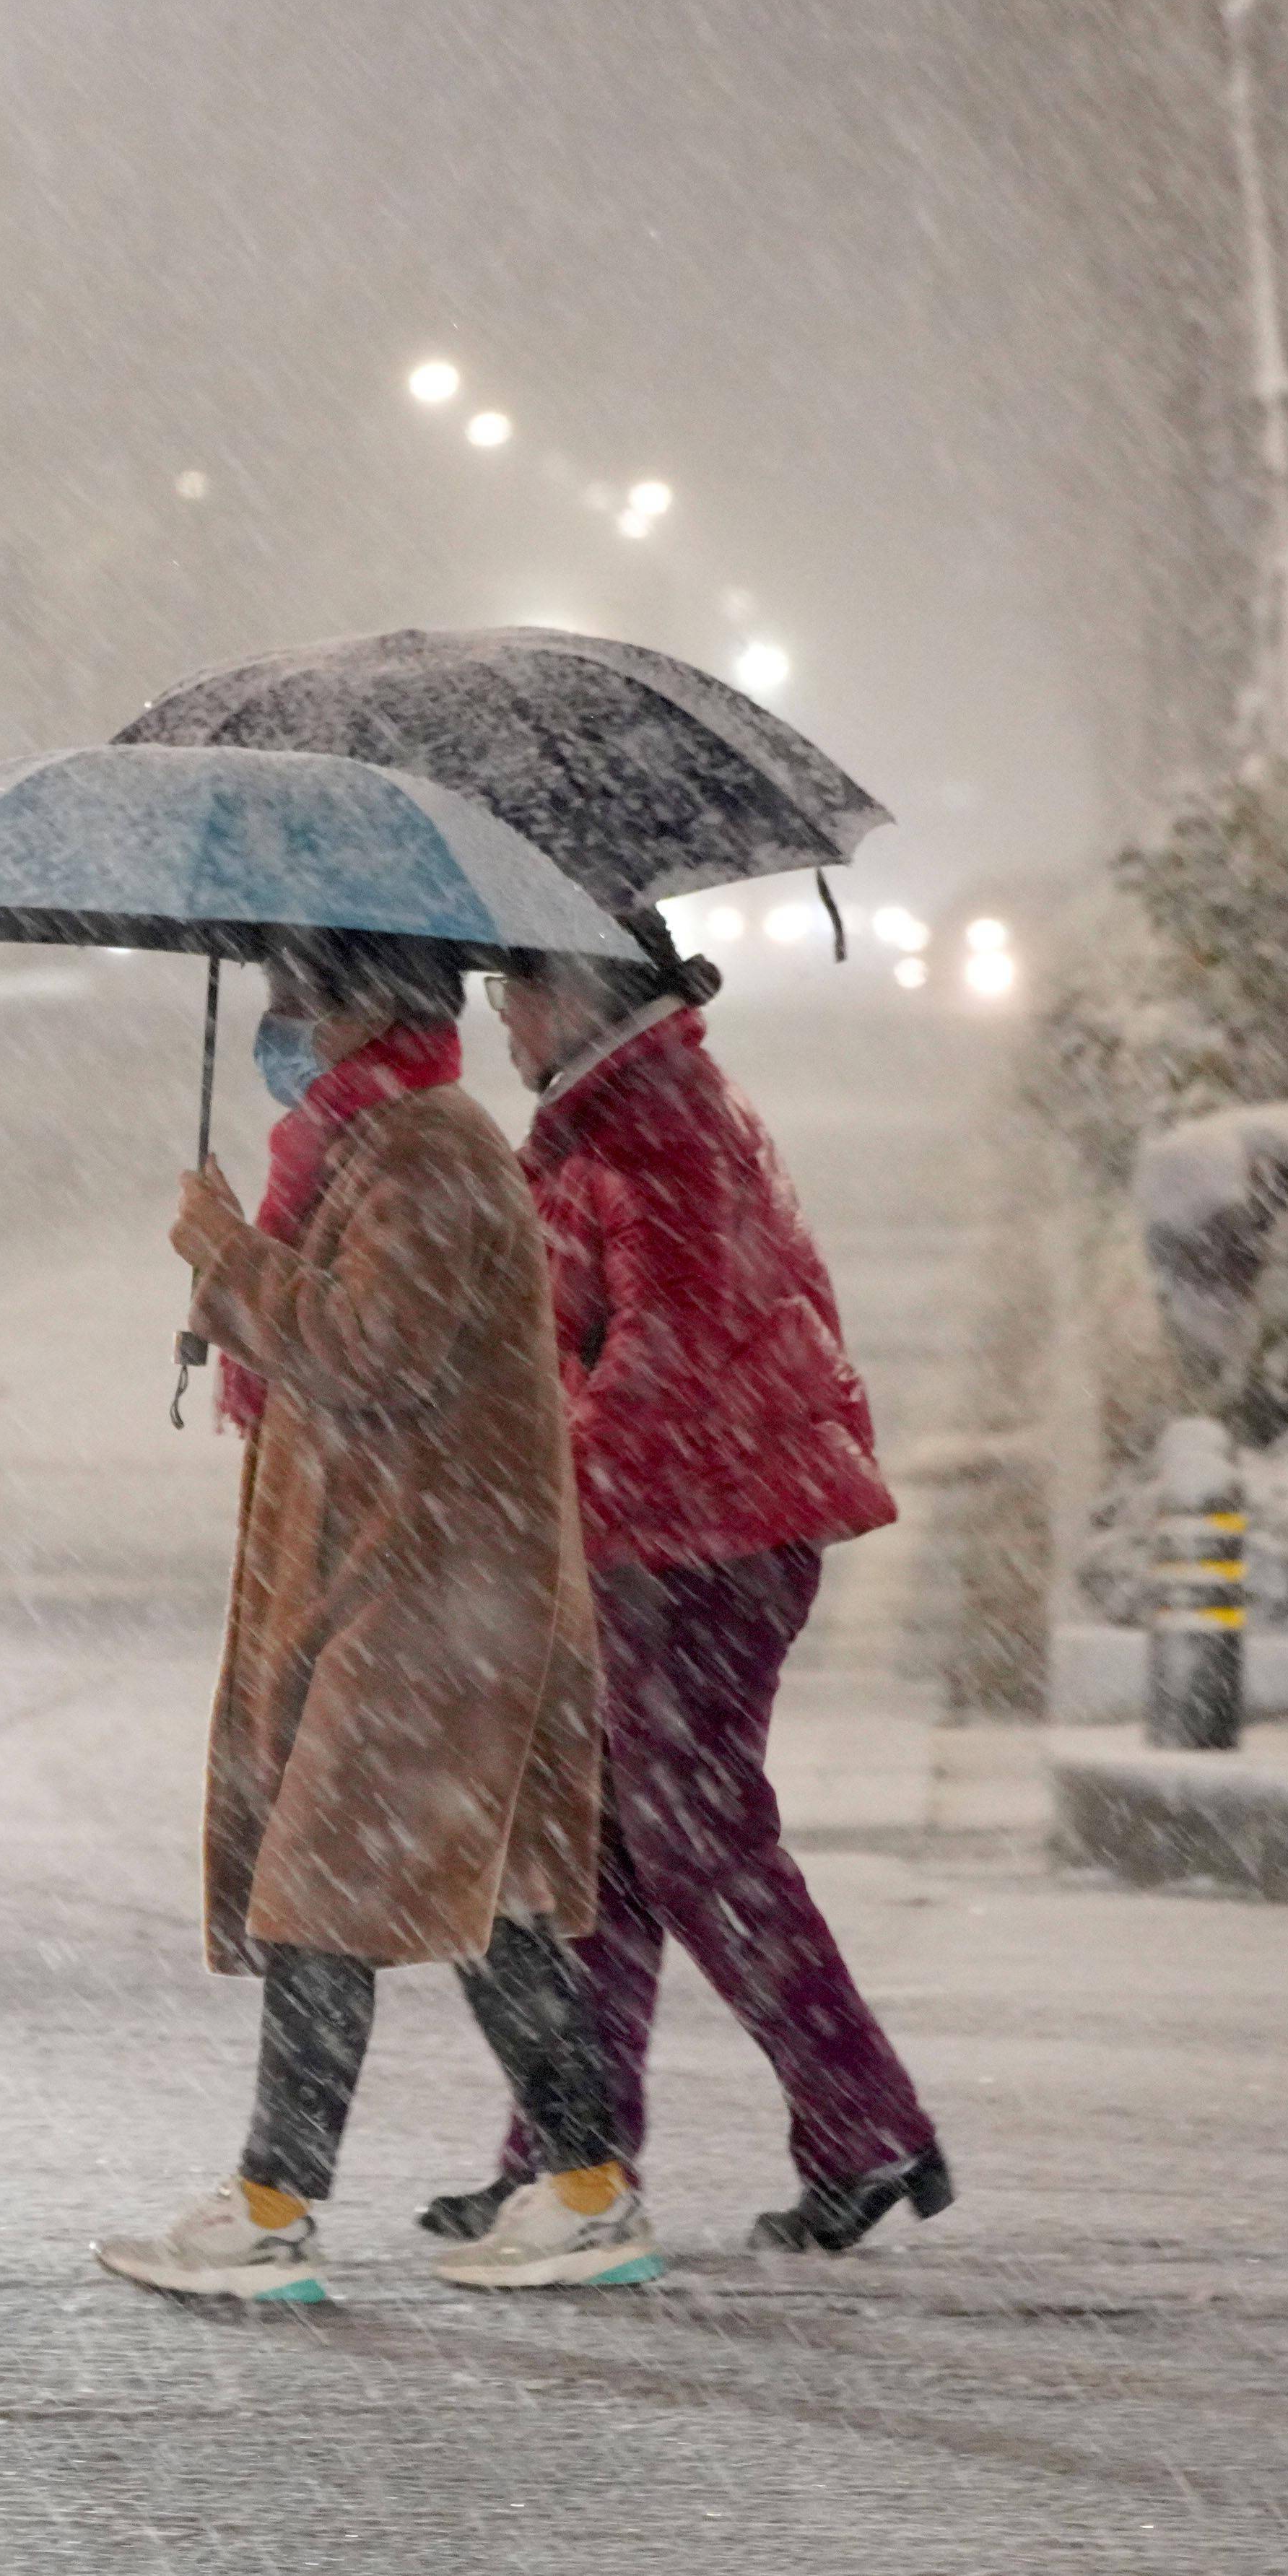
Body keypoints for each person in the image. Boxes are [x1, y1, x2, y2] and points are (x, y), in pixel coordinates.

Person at [95, 927, 653, 2303]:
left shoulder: (426, 1154)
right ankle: (587, 2191)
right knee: (493, 1906)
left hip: (431, 1595)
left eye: (297, 999)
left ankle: (274, 2209)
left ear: (362, 1010)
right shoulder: (385, 1145)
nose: (280, 1024)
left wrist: (229, 1260)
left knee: (320, 1898)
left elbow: (372, 1351)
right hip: (424, 1584)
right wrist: (241, 1272)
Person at [422, 925, 953, 2256]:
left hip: (699, 1541)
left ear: (572, 993)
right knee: (615, 1853)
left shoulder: (651, 1129)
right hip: (679, 1529)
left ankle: (858, 2124)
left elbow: (668, 1351)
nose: (500, 1021)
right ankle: (573, 2152)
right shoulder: (629, 1112)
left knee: (693, 1845)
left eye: (510, 992)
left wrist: (561, 1496)